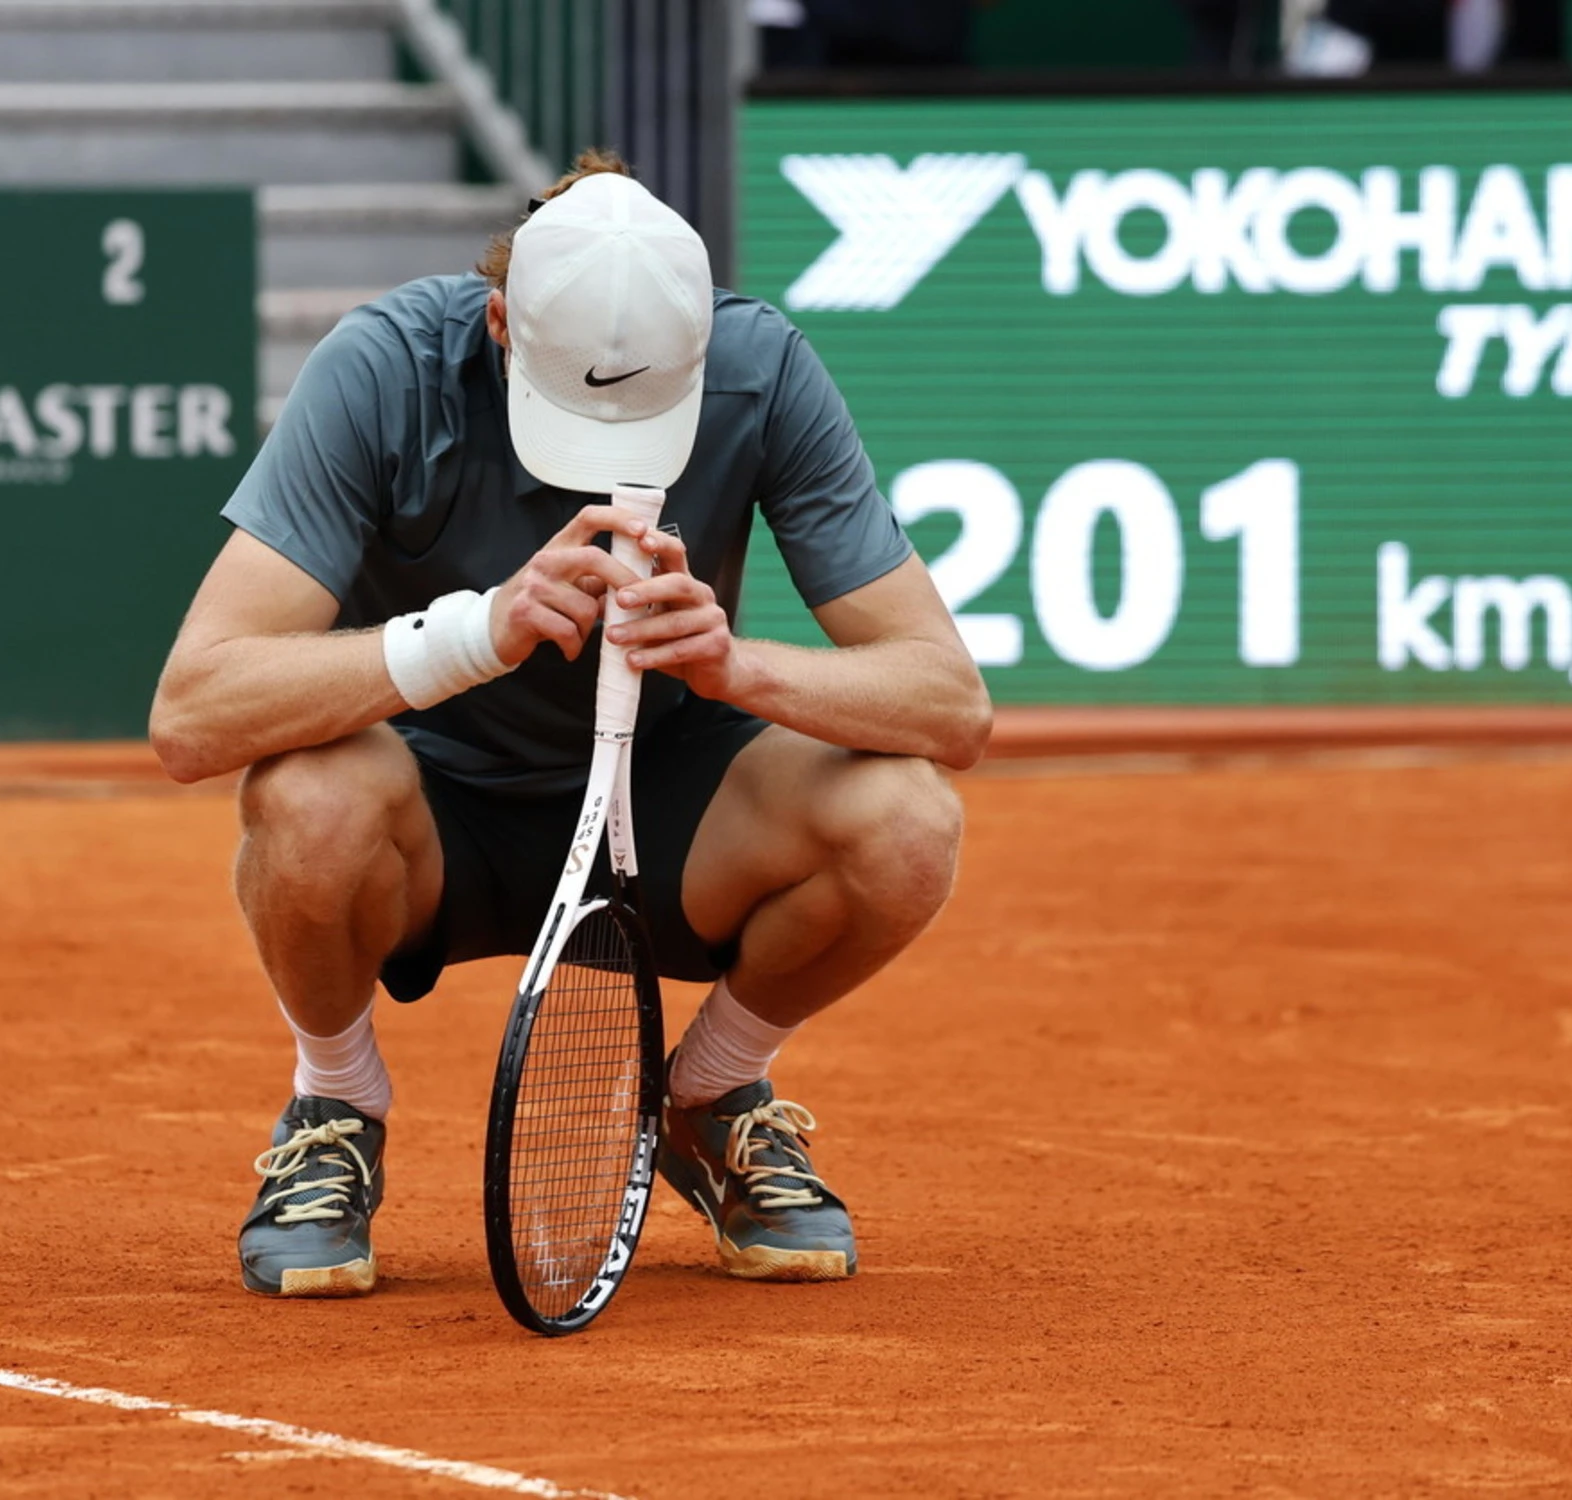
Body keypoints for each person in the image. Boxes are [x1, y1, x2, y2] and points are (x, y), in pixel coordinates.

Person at [149, 150, 990, 1299]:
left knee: (904, 821)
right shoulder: (382, 369)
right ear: (497, 321)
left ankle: (708, 1092)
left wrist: (734, 665)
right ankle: (334, 1103)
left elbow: (949, 705)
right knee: (305, 798)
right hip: (429, 818)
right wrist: (473, 634)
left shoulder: (761, 368)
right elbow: (192, 715)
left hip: (671, 809)